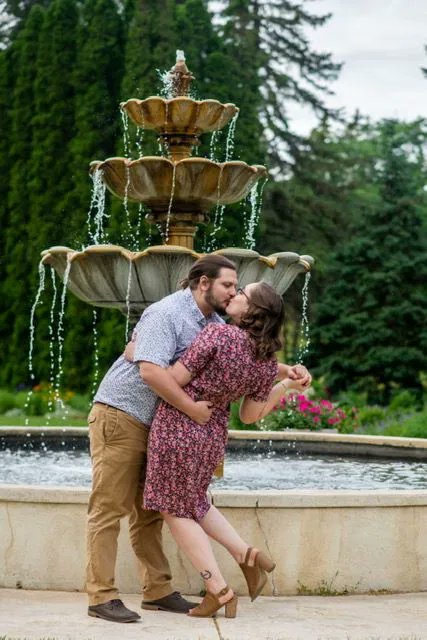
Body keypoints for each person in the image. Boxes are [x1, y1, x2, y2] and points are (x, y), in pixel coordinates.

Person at [86, 255, 311, 623]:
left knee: (151, 513)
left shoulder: (215, 324)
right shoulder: (167, 313)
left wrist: (284, 371)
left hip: (165, 424)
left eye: (238, 289)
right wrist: (188, 403)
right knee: (110, 508)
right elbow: (152, 373)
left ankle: (157, 591)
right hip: (124, 414)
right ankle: (101, 595)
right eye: (228, 285)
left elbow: (239, 353)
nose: (232, 292)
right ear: (204, 283)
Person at [142, 282, 308, 618]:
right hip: (212, 435)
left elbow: (173, 376)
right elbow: (250, 416)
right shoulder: (265, 361)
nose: (235, 294)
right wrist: (286, 385)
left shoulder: (218, 336)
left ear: (252, 311)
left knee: (174, 511)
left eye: (243, 293)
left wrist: (140, 355)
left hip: (179, 426)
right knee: (195, 502)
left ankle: (218, 589)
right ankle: (246, 555)